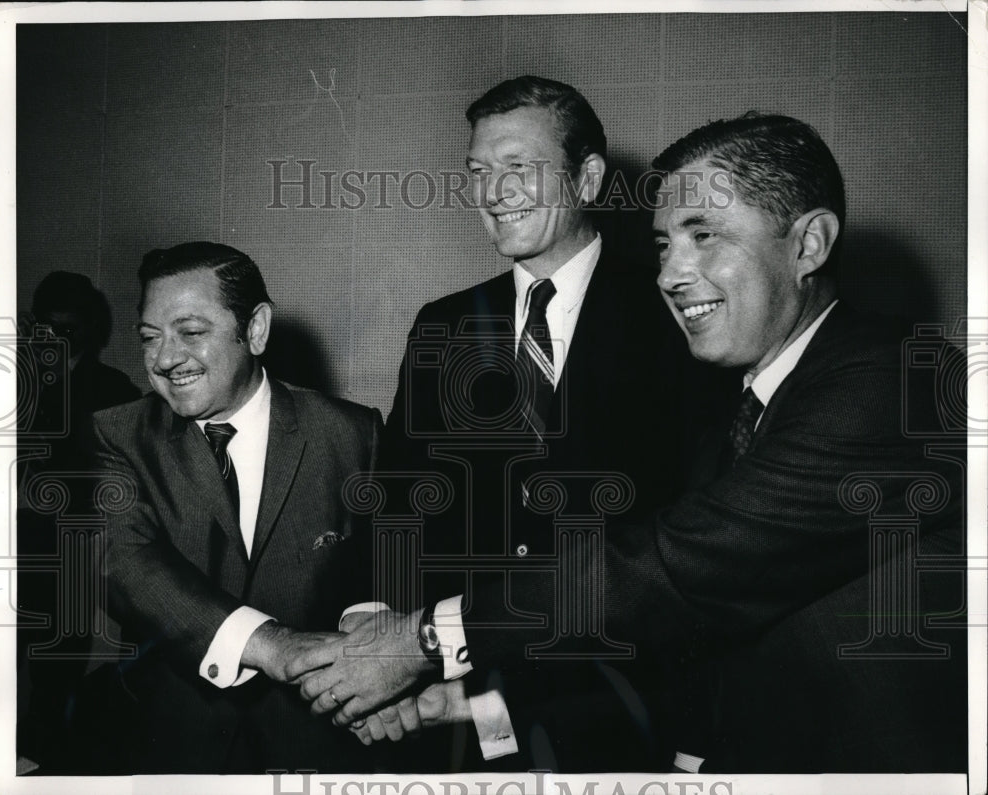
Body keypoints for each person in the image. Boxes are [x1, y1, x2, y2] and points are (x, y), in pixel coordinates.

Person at [289, 114, 966, 773]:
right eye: (666, 242)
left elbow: (670, 569)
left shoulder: (899, 376)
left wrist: (424, 639)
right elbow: (694, 653)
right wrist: (464, 707)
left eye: (706, 235)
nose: (672, 271)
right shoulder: (740, 407)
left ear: (808, 244)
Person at [302, 75, 702, 772]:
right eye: (478, 172)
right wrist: (374, 631)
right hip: (450, 711)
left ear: (588, 177)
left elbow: (686, 541)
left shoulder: (677, 317)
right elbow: (398, 497)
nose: (492, 193)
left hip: (613, 709)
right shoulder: (444, 324)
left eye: (518, 167)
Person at [88, 242, 382, 773]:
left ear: (257, 329)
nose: (164, 359)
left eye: (191, 333)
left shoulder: (351, 433)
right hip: (172, 748)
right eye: (150, 338)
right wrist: (274, 645)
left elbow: (380, 565)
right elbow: (124, 564)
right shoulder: (120, 435)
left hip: (316, 748)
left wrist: (369, 627)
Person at [17, 271, 141, 772]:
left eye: (69, 331)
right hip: (12, 540)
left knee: (55, 662)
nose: (57, 341)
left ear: (89, 331)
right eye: (46, 329)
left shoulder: (112, 390)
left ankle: (38, 760)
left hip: (68, 545)